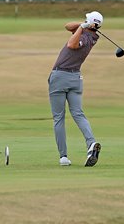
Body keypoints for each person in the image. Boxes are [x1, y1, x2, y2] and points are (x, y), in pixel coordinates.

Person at [48, 11, 103, 167]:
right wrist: (83, 24)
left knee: (58, 117)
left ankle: (63, 156)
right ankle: (91, 143)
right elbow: (67, 26)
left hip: (60, 76)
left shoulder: (85, 38)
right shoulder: (90, 34)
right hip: (75, 79)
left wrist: (82, 27)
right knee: (78, 113)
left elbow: (71, 44)